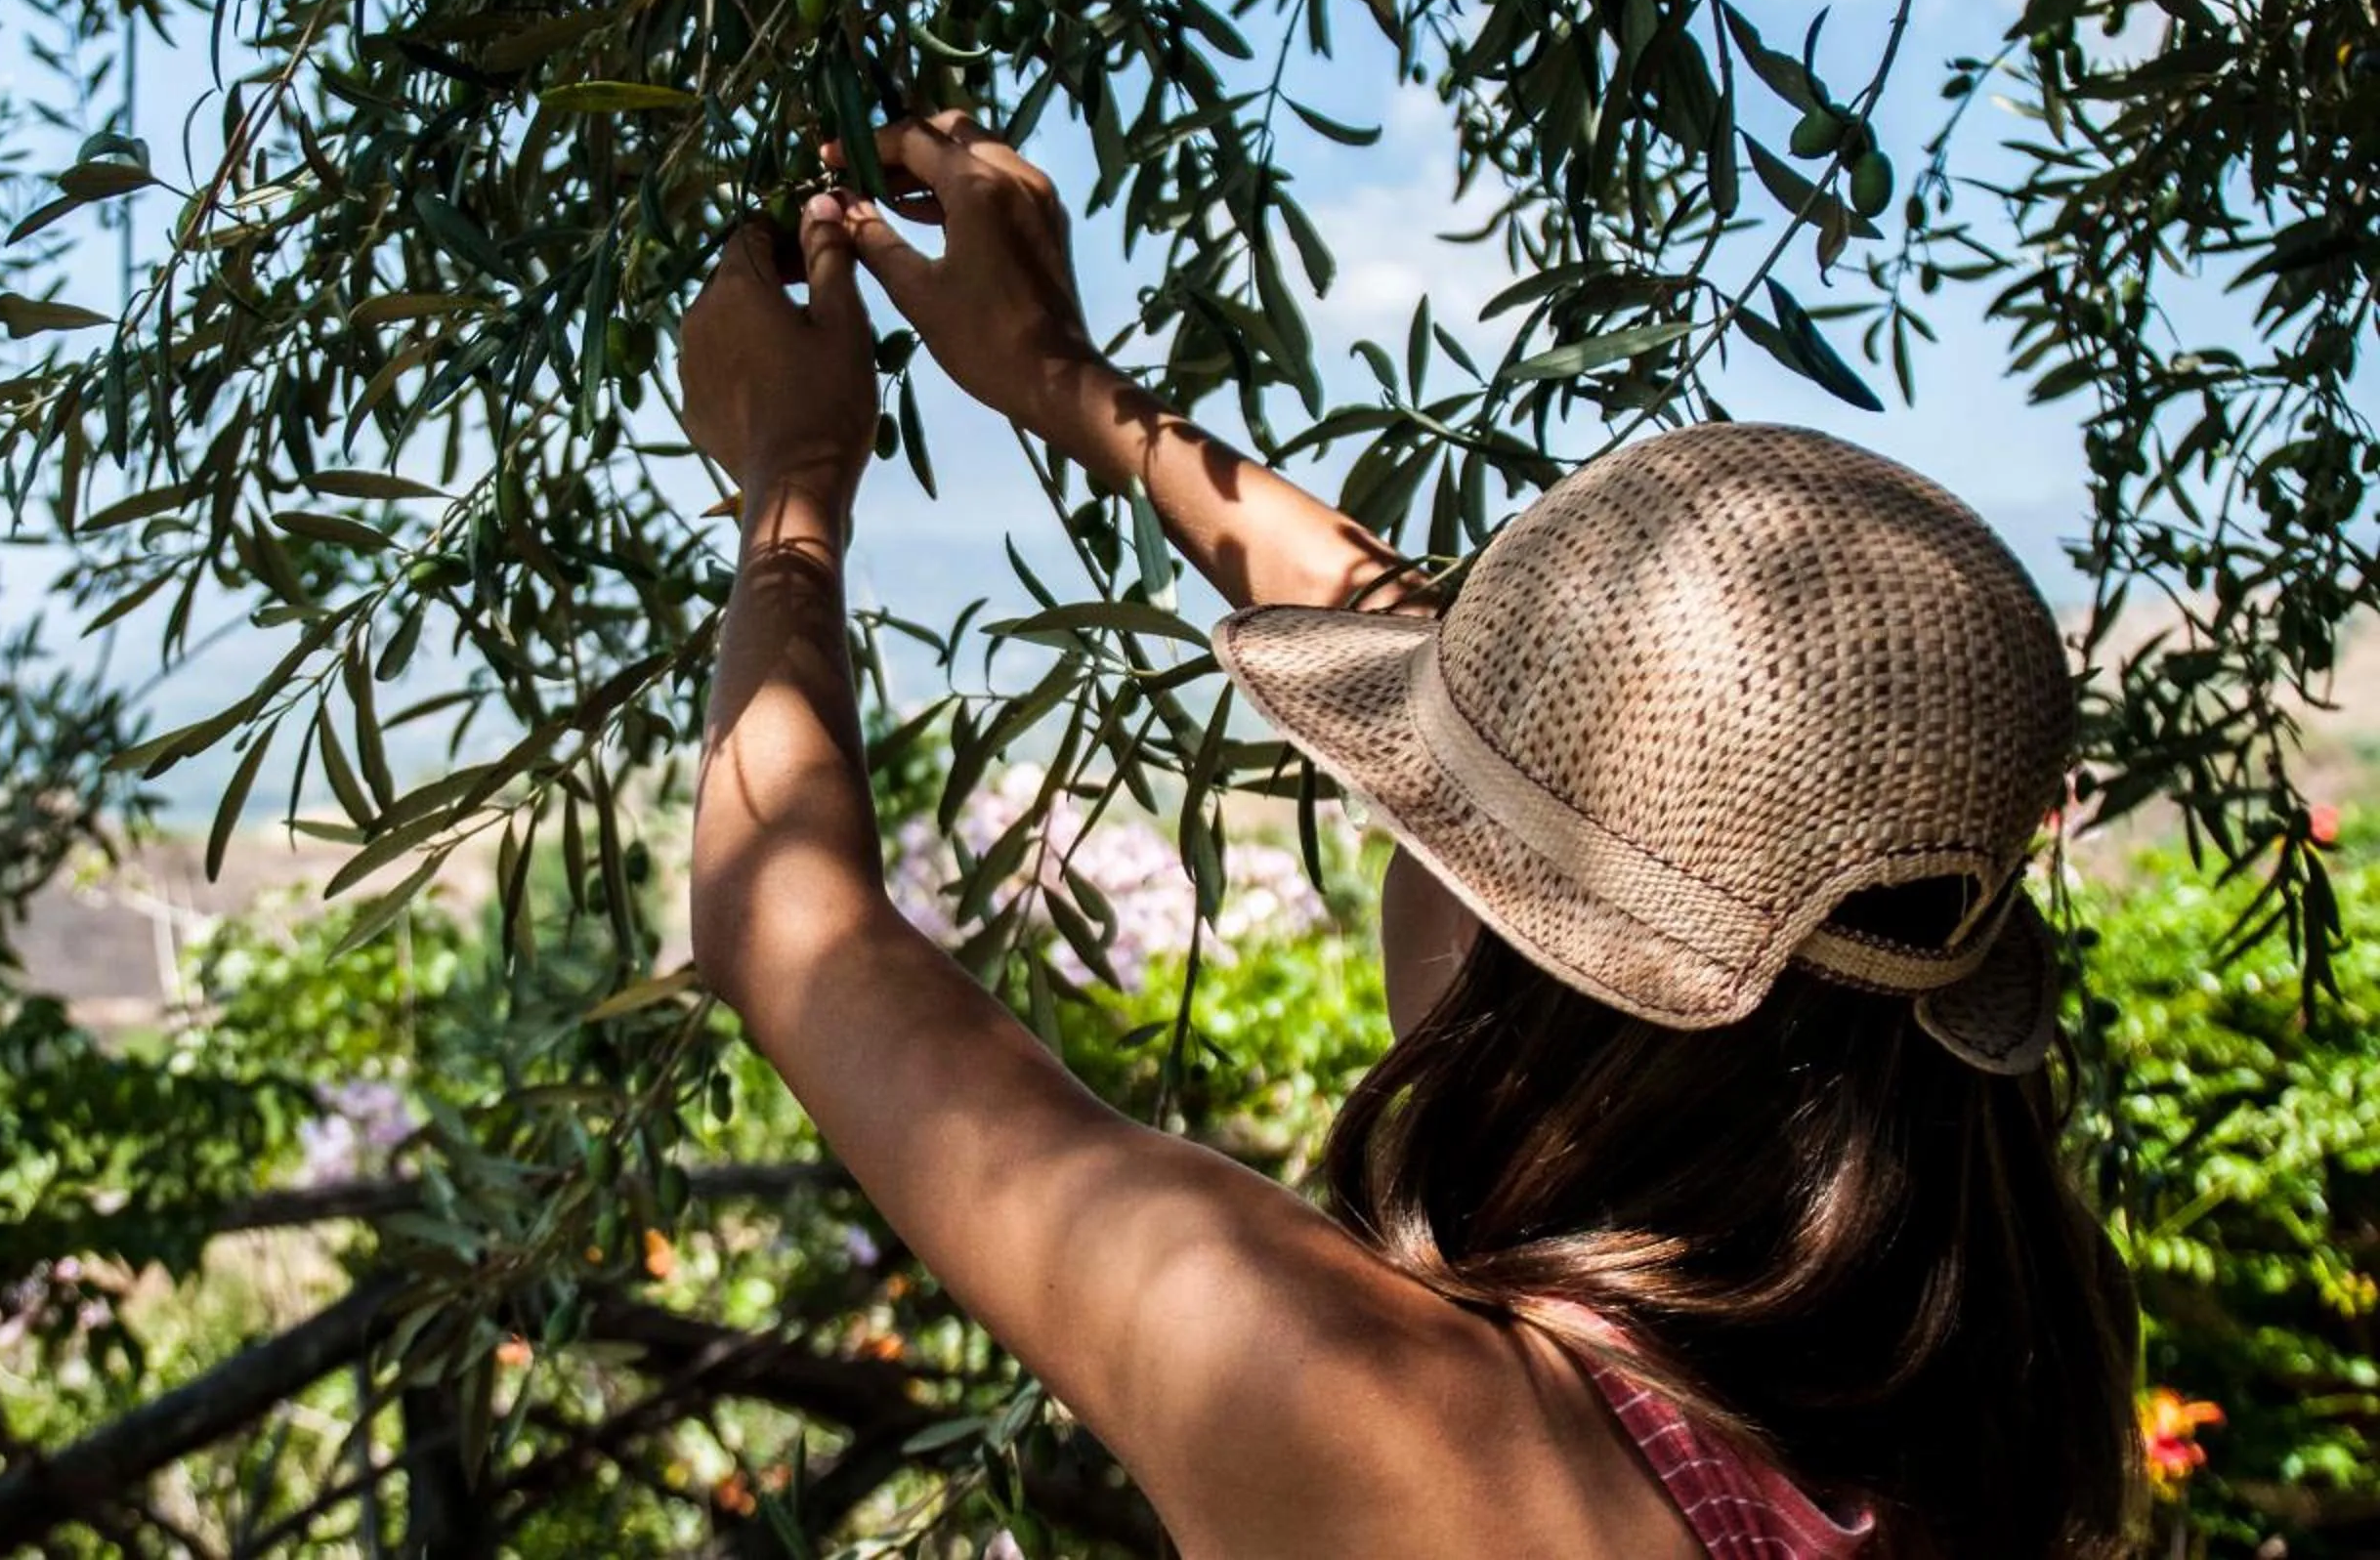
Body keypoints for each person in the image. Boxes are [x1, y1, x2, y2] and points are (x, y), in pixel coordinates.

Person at [675, 111, 2140, 1559]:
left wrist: (792, 479)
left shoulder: (1366, 1414)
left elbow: (786, 927)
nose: (1403, 834)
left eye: (1434, 823)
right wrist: (1065, 383)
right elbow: (1582, 728)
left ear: (1540, 960)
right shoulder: (1960, 1394)